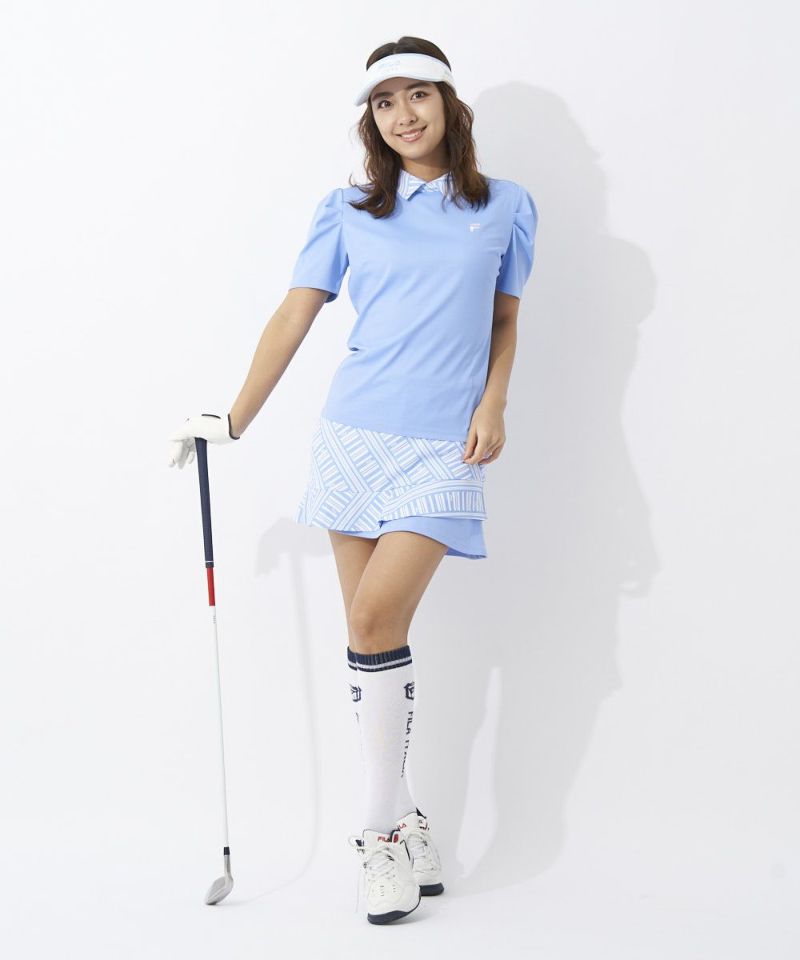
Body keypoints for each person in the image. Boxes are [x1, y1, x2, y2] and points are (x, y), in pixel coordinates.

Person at [167, 36, 538, 925]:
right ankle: (406, 821)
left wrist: (495, 403)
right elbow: (293, 316)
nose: (404, 114)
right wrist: (232, 420)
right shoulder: (346, 211)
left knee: (374, 622)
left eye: (419, 95)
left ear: (449, 103)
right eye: (384, 101)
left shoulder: (506, 206)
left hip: (444, 449)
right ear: (370, 118)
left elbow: (503, 320)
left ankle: (374, 833)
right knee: (372, 636)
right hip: (353, 440)